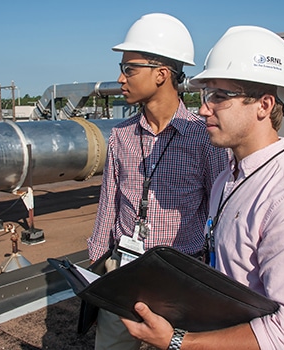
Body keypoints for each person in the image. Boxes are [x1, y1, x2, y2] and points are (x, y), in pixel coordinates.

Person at [121, 25, 284, 349]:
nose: (204, 108)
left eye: (220, 96)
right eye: (206, 96)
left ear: (263, 104)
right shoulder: (228, 179)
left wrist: (178, 342)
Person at [86, 13, 228, 350]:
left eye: (129, 69)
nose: (121, 78)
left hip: (181, 276)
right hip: (125, 270)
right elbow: (109, 204)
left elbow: (220, 211)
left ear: (161, 74)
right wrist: (96, 268)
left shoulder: (204, 137)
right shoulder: (120, 135)